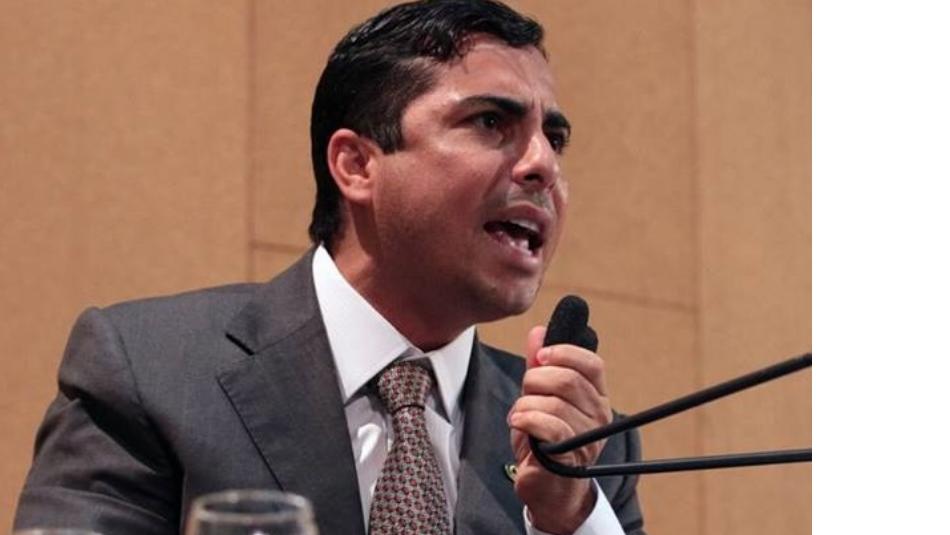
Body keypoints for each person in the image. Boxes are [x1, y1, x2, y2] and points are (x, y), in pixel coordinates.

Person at [14, 1, 646, 534]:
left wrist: (571, 520)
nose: (542, 165)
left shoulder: (584, 445)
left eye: (554, 139)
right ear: (356, 165)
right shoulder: (150, 373)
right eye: (490, 122)